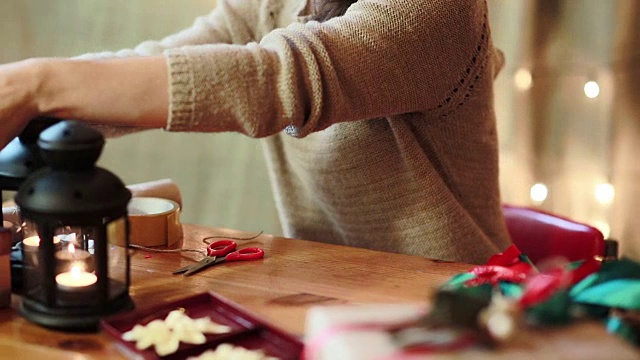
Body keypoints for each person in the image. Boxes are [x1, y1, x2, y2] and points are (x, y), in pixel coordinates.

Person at [0, 0, 511, 264]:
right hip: (333, 287)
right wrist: (24, 94)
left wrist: (38, 85)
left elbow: (273, 80)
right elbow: (161, 62)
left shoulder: (439, 10)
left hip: (458, 304)